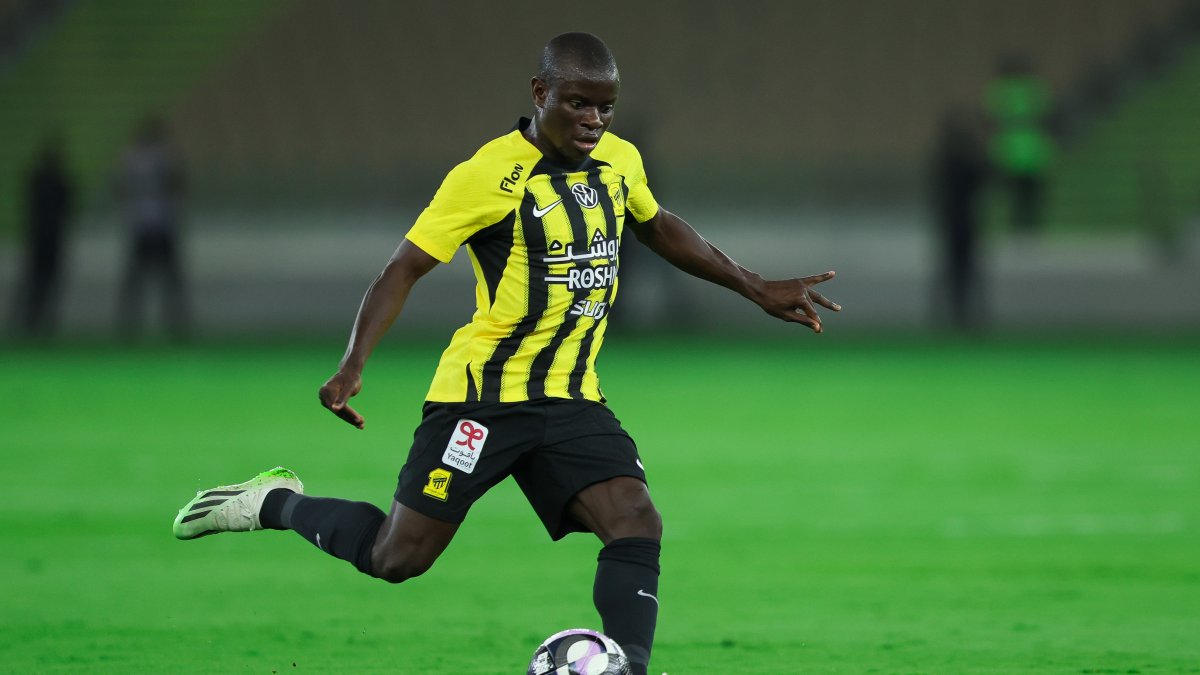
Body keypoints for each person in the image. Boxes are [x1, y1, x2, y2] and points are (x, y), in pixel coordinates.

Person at [172, 33, 839, 675]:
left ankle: (624, 667)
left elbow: (658, 224)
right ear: (540, 91)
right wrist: (353, 363)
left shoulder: (620, 162)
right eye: (579, 103)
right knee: (398, 556)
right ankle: (274, 502)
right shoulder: (487, 175)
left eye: (605, 106)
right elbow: (400, 269)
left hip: (571, 397)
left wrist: (753, 286)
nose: (594, 120)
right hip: (481, 400)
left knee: (635, 518)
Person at [114, 114, 190, 340]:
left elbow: (118, 188)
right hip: (161, 224)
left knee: (137, 280)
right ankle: (176, 326)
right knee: (169, 280)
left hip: (139, 225)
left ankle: (129, 327)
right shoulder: (165, 157)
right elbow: (179, 184)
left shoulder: (130, 158)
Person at [12, 133, 74, 339]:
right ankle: (41, 324)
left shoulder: (36, 180)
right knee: (45, 284)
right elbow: (69, 209)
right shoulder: (59, 182)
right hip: (50, 239)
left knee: (34, 284)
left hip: (39, 238)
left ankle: (29, 323)